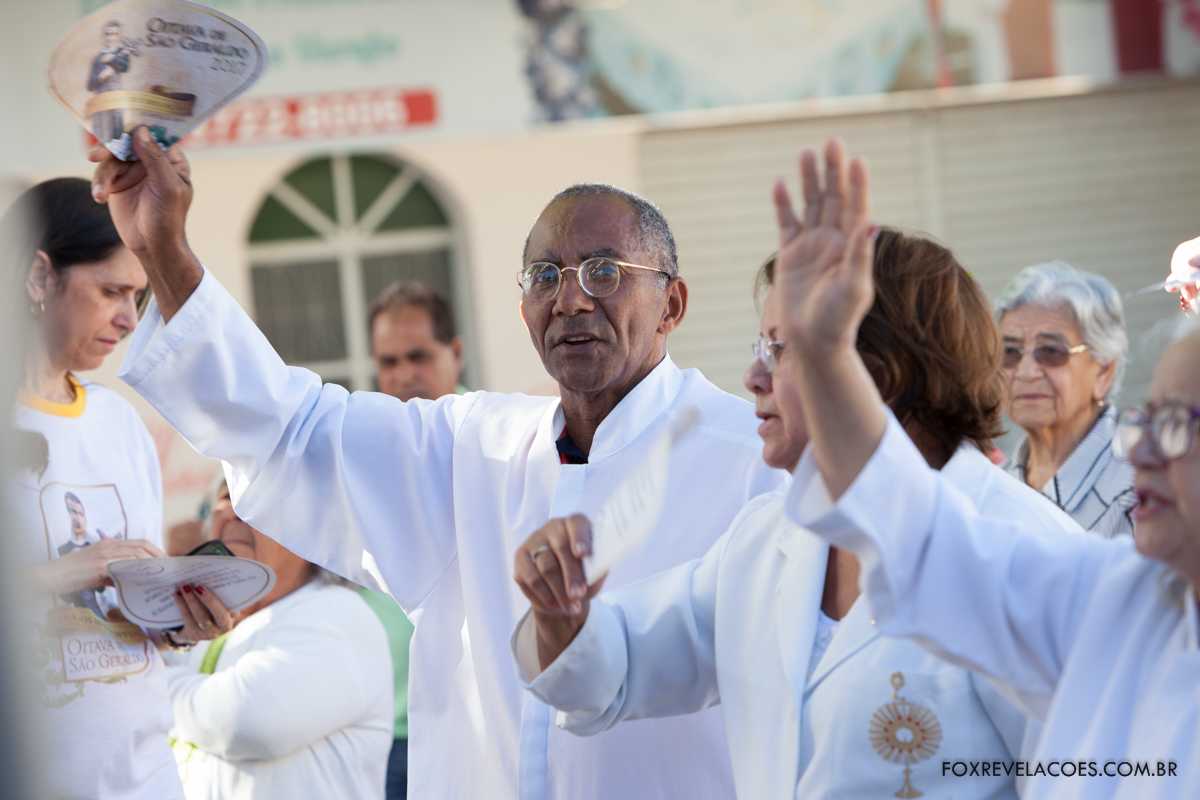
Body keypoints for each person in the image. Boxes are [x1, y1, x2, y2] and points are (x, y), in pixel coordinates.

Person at [90, 127, 786, 800]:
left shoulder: (757, 462)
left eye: (604, 271)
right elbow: (288, 425)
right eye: (546, 275)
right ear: (523, 312)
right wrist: (163, 249)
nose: (572, 297)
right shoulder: (472, 451)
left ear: (672, 303)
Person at [511, 212, 1081, 799]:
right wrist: (561, 611)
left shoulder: (1032, 558)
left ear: (878, 370)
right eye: (760, 347)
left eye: (781, 349)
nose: (753, 376)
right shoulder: (769, 540)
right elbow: (616, 664)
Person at [773, 139, 1198, 798]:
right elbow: (926, 538)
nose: (1137, 451)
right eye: (1146, 421)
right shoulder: (1124, 605)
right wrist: (825, 355)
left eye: (1177, 428)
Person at [5, 177, 230, 800]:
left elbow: (132, 611)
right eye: (110, 291)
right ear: (38, 277)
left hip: (145, 768)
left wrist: (183, 620)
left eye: (137, 295)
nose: (130, 319)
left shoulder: (118, 420)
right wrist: (65, 572)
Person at [168, 481, 393, 800]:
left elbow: (241, 722)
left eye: (256, 499)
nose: (236, 511)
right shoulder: (202, 621)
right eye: (227, 496)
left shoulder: (337, 614)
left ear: (312, 531)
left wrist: (150, 683)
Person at [364, 280, 468, 798]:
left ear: (456, 352)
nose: (403, 375)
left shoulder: (500, 444)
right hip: (383, 729)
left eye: (417, 356)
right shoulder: (364, 450)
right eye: (388, 362)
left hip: (474, 717)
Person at [995, 262, 1135, 536]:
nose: (1025, 372)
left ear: (1103, 371)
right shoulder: (995, 487)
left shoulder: (1143, 493)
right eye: (1010, 351)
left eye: (1051, 351)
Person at [370, 280, 466, 401]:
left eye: (419, 358)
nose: (405, 378)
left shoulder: (488, 419)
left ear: (456, 354)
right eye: (389, 363)